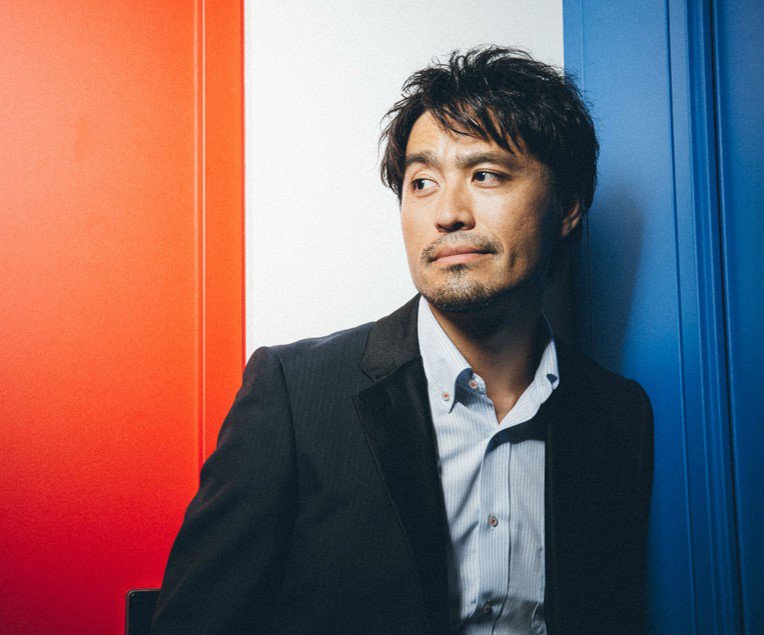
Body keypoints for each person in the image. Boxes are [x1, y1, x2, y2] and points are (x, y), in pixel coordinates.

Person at [151, 46, 653, 635]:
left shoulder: (618, 415)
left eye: (485, 175)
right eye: (422, 182)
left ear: (567, 207)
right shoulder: (295, 396)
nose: (448, 214)